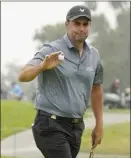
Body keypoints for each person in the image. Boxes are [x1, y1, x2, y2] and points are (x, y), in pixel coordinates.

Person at [18, 5, 103, 158]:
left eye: (85, 24)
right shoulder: (51, 49)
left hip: (76, 127)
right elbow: (23, 75)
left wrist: (99, 124)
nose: (81, 28)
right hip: (50, 125)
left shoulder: (94, 55)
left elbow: (96, 89)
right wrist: (42, 66)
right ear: (67, 24)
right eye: (77, 23)